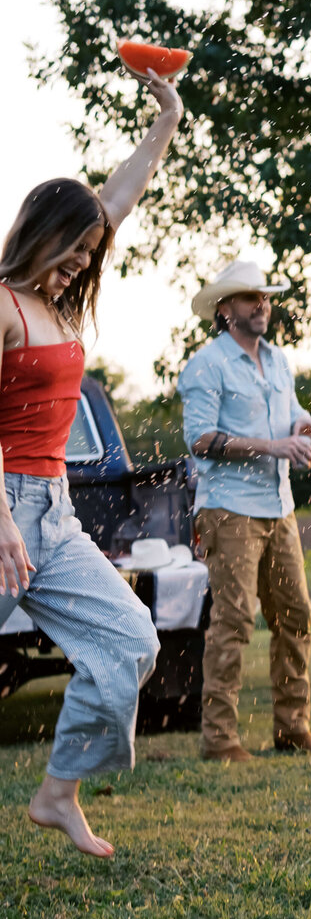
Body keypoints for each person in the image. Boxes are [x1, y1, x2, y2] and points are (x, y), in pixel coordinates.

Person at [4, 66, 185, 858]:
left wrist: (166, 121)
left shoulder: (59, 303)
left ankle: (57, 792)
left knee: (131, 640)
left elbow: (119, 196)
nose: (83, 259)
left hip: (55, 509)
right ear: (37, 232)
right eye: (72, 245)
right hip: (5, 506)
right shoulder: (5, 305)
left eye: (89, 248)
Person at [178, 260, 311, 762]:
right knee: (234, 620)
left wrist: (307, 426)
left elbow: (290, 414)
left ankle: (293, 729)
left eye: (264, 296)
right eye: (249, 297)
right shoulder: (206, 365)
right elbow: (200, 440)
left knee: (295, 616)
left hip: (279, 508)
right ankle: (220, 740)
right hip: (228, 510)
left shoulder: (279, 360)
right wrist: (274, 446)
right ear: (225, 309)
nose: (261, 304)